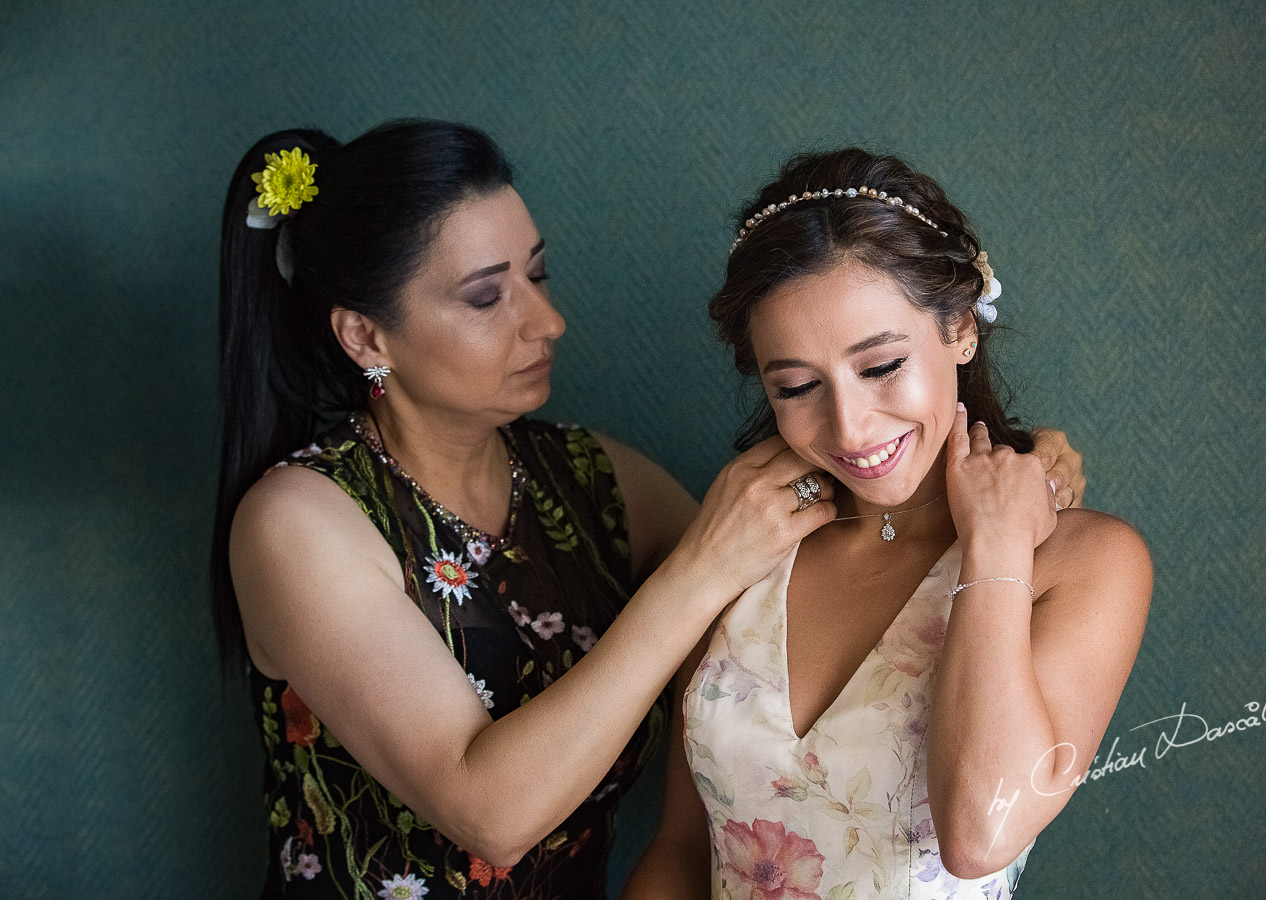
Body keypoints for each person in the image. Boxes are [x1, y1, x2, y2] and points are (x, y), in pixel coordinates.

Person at [212, 121, 1086, 898]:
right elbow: (490, 811)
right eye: (487, 296)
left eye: (538, 273)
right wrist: (700, 571)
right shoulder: (298, 522)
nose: (547, 320)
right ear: (365, 335)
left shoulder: (589, 476)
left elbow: (843, 482)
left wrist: (1012, 455)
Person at [624, 150, 1150, 899]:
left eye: (880, 367)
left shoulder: (1086, 562)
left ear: (961, 327)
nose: (849, 425)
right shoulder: (742, 548)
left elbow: (978, 836)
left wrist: (995, 546)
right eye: (798, 385)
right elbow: (679, 848)